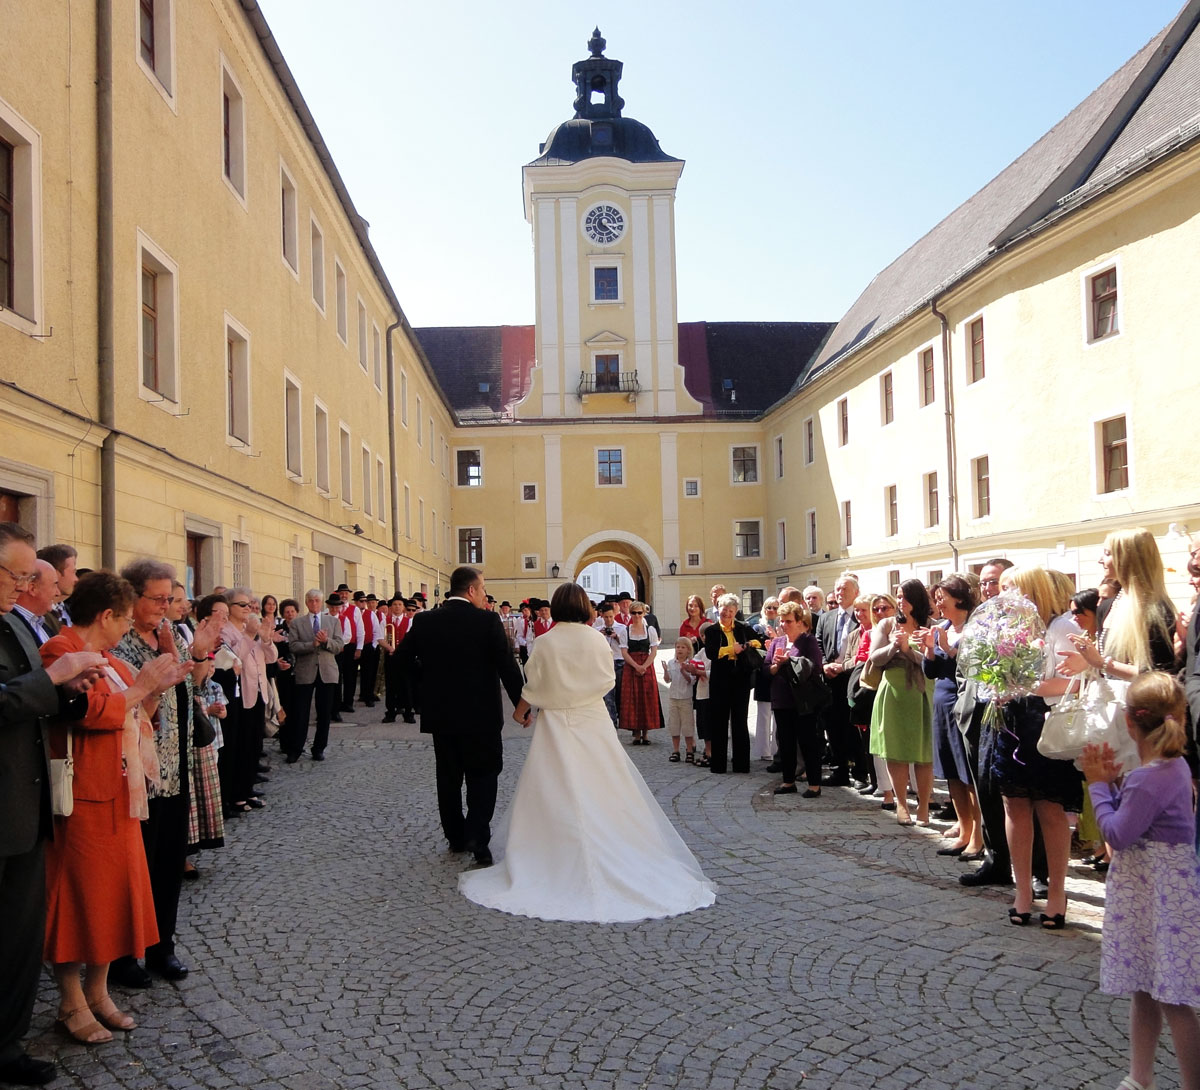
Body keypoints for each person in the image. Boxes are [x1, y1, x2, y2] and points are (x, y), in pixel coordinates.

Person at [458, 582, 717, 922]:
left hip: (556, 724)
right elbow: (608, 679)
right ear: (584, 607)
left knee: (555, 787)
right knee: (604, 785)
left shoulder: (545, 641)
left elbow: (534, 685)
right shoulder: (596, 638)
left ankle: (551, 852)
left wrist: (522, 711)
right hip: (592, 720)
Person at [40, 572, 188, 1044]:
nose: (128, 629)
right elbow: (92, 714)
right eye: (124, 619)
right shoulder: (60, 652)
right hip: (82, 796)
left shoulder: (109, 660)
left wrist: (158, 687)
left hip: (121, 792)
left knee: (112, 898)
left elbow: (136, 714)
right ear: (105, 616)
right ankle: (70, 1001)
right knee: (79, 899)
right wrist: (143, 687)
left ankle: (99, 992)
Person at [0, 523, 102, 1087]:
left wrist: (67, 694)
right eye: (15, 576)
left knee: (17, 939)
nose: (22, 587)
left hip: (23, 805)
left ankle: (7, 1043)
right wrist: (54, 679)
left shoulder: (13, 622)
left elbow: (33, 696)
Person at [1081, 673, 1200, 1090]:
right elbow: (1137, 819)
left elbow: (1117, 834)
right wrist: (1113, 786)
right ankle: (1139, 1076)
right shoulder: (1174, 767)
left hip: (1155, 894)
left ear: (1130, 723)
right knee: (1147, 987)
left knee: (1171, 996)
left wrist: (1098, 785)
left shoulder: (1148, 778)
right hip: (1162, 893)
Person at [395, 566, 524, 867]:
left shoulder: (425, 620)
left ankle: (455, 836)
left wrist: (426, 679)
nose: (484, 595)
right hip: (482, 715)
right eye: (482, 589)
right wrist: (522, 705)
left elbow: (400, 661)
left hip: (442, 715)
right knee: (484, 775)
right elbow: (506, 665)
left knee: (449, 777)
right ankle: (479, 840)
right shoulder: (487, 620)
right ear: (470, 590)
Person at [990, 567, 1082, 928]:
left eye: (1013, 589)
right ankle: (1022, 891)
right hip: (1014, 723)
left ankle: (1057, 892)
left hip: (1046, 724)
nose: (1007, 597)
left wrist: (1027, 685)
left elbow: (1076, 679)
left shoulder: (1061, 626)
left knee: (1050, 807)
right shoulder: (1010, 629)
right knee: (1015, 804)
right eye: (1004, 590)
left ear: (1033, 591)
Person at [920, 575, 984, 858]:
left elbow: (974, 667)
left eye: (942, 597)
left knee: (967, 772)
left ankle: (979, 837)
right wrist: (930, 651)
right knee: (951, 772)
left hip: (965, 705)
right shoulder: (942, 627)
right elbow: (930, 672)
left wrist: (948, 648)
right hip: (942, 704)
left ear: (958, 598)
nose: (937, 603)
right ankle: (964, 829)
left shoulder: (974, 628)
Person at [867, 579, 934, 825]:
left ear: (916, 599)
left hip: (922, 691)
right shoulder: (886, 624)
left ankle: (924, 806)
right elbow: (876, 657)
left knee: (923, 752)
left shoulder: (931, 625)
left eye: (904, 596)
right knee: (896, 751)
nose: (900, 601)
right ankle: (902, 804)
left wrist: (908, 649)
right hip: (894, 691)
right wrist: (895, 646)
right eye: (898, 596)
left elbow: (931, 661)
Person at [764, 601, 825, 797]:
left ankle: (814, 784)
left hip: (803, 701)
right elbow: (766, 669)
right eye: (781, 621)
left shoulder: (808, 641)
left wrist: (789, 661)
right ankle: (788, 781)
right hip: (781, 700)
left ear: (800, 622)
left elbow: (815, 667)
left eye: (789, 621)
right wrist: (774, 667)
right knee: (786, 742)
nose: (784, 625)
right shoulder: (777, 642)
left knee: (808, 742)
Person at [285, 590, 344, 762]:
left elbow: (339, 646)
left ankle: (319, 748)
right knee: (301, 712)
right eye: (311, 601)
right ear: (306, 603)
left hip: (327, 671)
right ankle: (296, 748)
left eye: (317, 600)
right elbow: (293, 646)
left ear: (322, 603)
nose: (314, 604)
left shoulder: (333, 621)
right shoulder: (297, 623)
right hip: (305, 671)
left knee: (324, 712)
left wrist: (326, 641)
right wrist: (313, 644)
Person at [703, 593, 759, 774]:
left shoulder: (743, 627)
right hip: (720, 680)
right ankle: (718, 765)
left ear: (736, 612)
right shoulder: (712, 630)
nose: (726, 614)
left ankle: (741, 764)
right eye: (724, 610)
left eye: (731, 611)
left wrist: (748, 644)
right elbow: (712, 652)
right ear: (718, 610)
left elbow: (760, 641)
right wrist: (731, 649)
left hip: (740, 679)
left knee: (740, 721)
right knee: (719, 721)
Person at [816, 574, 862, 786]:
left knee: (854, 728)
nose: (840, 593)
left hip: (853, 678)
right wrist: (825, 664)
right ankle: (839, 771)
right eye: (837, 589)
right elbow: (818, 643)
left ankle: (861, 772)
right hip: (830, 680)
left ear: (856, 592)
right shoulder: (827, 617)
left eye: (845, 589)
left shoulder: (861, 617)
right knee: (832, 726)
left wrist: (843, 666)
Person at [619, 601, 661, 745]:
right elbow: (624, 652)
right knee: (633, 698)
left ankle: (646, 732)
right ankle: (636, 733)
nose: (636, 616)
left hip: (646, 665)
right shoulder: (625, 631)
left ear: (644, 613)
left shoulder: (650, 630)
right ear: (630, 614)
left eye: (639, 613)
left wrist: (644, 666)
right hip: (631, 666)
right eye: (634, 613)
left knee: (646, 697)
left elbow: (654, 651)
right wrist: (636, 666)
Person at [661, 638, 697, 762]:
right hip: (673, 698)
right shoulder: (671, 663)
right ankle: (676, 750)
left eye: (683, 647)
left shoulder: (691, 663)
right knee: (674, 725)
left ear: (688, 650)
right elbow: (667, 680)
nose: (679, 650)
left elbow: (692, 681)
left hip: (685, 698)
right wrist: (665, 671)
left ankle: (689, 750)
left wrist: (684, 671)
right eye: (678, 647)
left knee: (687, 726)